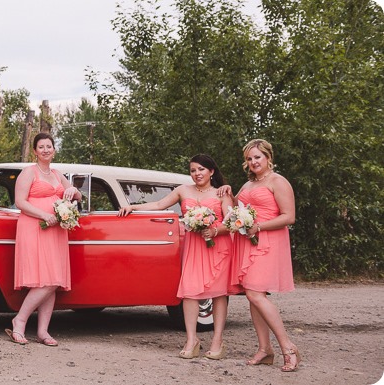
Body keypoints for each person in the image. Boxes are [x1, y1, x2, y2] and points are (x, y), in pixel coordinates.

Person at [118, 154, 234, 359]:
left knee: (218, 293)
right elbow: (158, 205)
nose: (197, 174)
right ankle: (192, 339)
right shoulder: (183, 190)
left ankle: (217, 340)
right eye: (193, 170)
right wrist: (133, 207)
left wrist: (215, 231)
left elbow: (232, 221)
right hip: (194, 246)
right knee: (189, 292)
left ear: (211, 171)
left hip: (218, 245)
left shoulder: (221, 193)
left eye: (201, 169)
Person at [228, 139, 301, 372]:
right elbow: (234, 207)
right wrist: (227, 192)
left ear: (268, 157)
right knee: (253, 293)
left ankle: (288, 347)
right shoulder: (248, 185)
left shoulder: (278, 182)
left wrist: (258, 227)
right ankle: (264, 349)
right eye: (249, 159)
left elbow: (289, 216)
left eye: (257, 157)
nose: (253, 162)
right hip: (247, 241)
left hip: (267, 240)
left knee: (255, 293)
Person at [6, 132, 81, 346]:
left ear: (54, 150)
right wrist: (44, 215)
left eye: (49, 146)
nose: (46, 150)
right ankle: (19, 320)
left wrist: (74, 190)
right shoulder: (28, 172)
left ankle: (43, 331)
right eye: (41, 147)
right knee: (44, 279)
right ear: (35, 151)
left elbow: (76, 197)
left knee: (53, 280)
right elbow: (20, 201)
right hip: (34, 227)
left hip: (56, 230)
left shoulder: (58, 175)